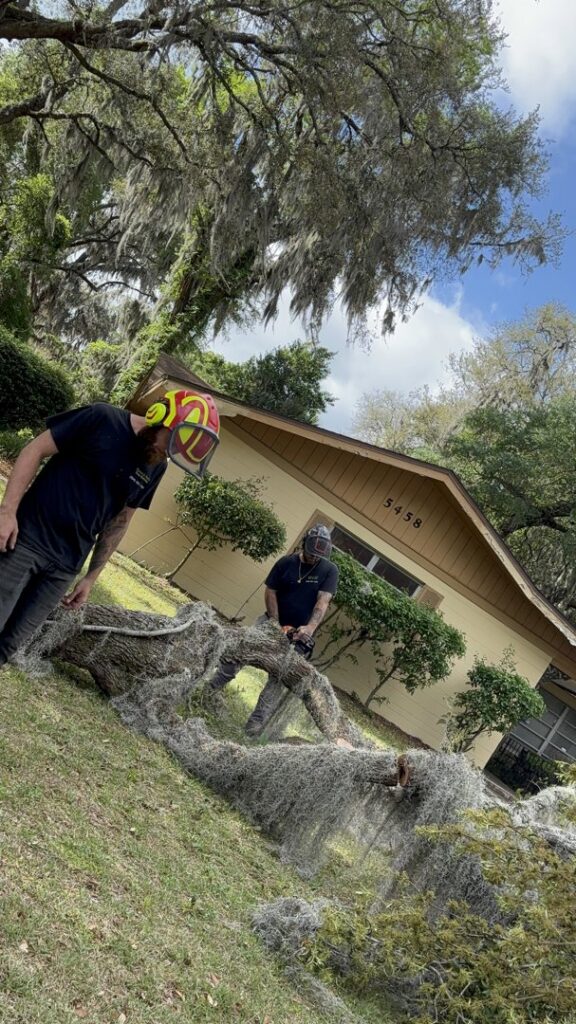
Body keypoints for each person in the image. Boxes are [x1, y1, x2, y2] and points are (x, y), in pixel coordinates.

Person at [0, 389, 220, 667]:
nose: (167, 452)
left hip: (64, 567)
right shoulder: (101, 418)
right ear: (158, 416)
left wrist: (91, 576)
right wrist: (7, 512)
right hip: (26, 540)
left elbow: (121, 520)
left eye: (176, 451)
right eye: (170, 442)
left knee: (9, 644)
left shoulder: (156, 467)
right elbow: (35, 449)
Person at [209, 523, 339, 735]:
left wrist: (310, 627)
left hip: (299, 632)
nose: (314, 558)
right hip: (271, 621)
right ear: (304, 544)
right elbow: (271, 591)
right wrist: (275, 623)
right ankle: (210, 690)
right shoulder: (286, 563)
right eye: (311, 553)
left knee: (279, 677)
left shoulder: (329, 570)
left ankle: (254, 726)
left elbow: (322, 601)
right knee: (238, 653)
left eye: (318, 556)